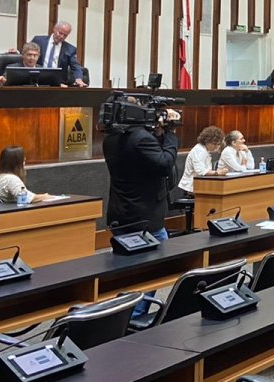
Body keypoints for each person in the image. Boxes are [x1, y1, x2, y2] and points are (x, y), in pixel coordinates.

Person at [103, 102, 181, 243]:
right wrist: (170, 133)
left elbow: (141, 159)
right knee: (159, 261)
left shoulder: (110, 138)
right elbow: (165, 164)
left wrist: (158, 135)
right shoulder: (142, 138)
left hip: (120, 214)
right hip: (144, 218)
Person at [32, 22, 86, 87]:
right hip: (38, 80)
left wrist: (78, 79)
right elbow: (26, 53)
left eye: (65, 35)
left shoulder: (70, 49)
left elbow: (75, 66)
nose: (61, 36)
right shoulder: (38, 40)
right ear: (54, 29)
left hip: (58, 84)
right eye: (60, 33)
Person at [177, 126, 228, 195]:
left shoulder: (205, 150)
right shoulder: (199, 150)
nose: (217, 147)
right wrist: (218, 173)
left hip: (200, 185)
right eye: (215, 144)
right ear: (207, 141)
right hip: (192, 188)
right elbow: (200, 171)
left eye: (218, 144)